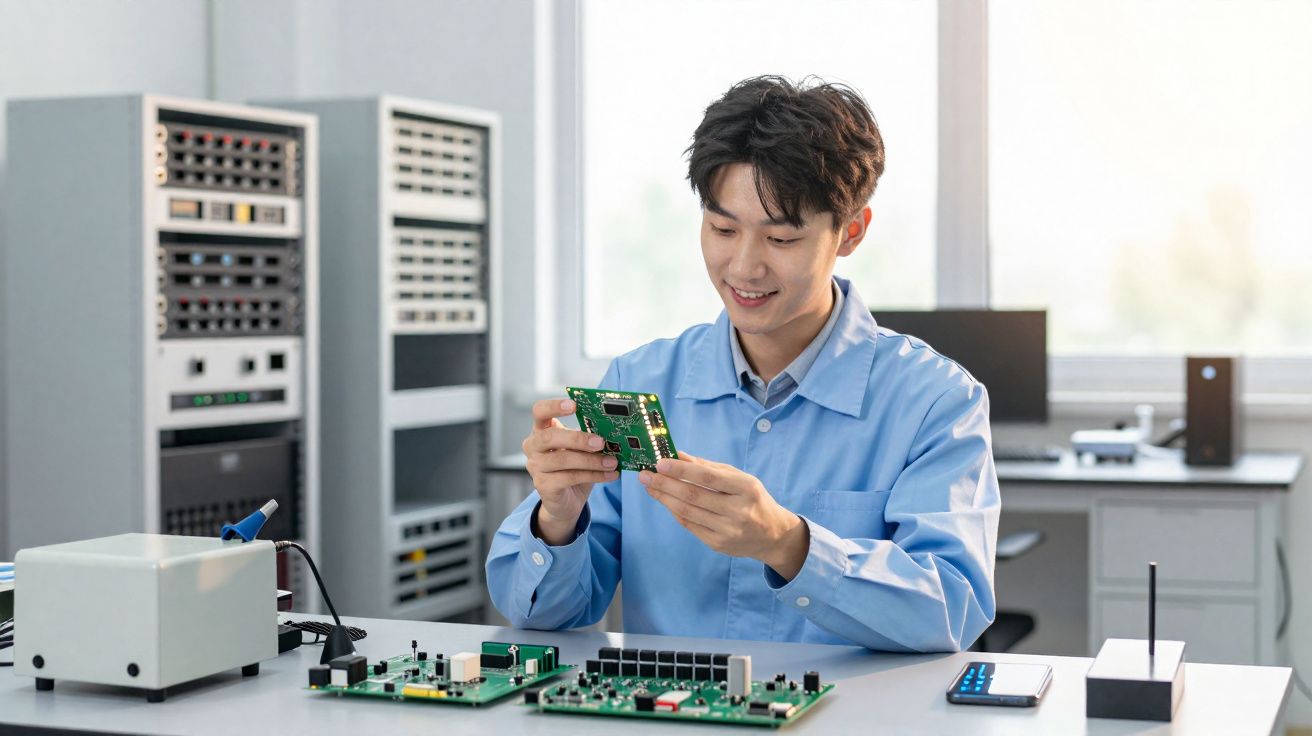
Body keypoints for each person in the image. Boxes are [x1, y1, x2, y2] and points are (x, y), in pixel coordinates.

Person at [486, 75, 999, 651]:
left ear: (850, 231)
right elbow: (546, 617)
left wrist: (787, 543)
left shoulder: (934, 401)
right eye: (722, 229)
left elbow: (952, 611)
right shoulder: (637, 384)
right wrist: (556, 519)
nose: (744, 268)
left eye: (780, 240)